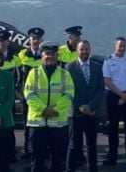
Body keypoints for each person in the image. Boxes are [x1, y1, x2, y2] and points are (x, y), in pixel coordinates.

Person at [24, 41, 75, 172]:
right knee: (37, 161)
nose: (50, 57)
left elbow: (69, 95)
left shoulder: (65, 74)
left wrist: (55, 110)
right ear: (42, 56)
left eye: (53, 54)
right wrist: (43, 110)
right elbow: (29, 95)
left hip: (58, 126)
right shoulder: (33, 73)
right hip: (37, 125)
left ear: (57, 56)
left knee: (58, 161)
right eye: (47, 54)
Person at [65, 39, 104, 172]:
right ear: (77, 50)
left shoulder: (97, 67)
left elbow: (100, 89)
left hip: (92, 113)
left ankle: (93, 169)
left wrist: (91, 106)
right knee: (73, 145)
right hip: (75, 113)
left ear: (90, 50)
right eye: (82, 49)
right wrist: (82, 106)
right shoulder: (69, 67)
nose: (84, 52)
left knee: (92, 144)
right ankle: (70, 169)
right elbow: (69, 90)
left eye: (86, 49)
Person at [101, 36, 126, 166]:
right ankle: (112, 158)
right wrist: (121, 95)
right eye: (119, 45)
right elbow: (107, 81)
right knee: (113, 129)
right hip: (113, 97)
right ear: (115, 46)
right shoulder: (108, 61)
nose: (122, 48)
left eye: (123, 46)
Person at [18, 27, 46, 159]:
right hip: (27, 95)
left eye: (38, 39)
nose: (35, 41)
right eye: (33, 38)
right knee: (27, 123)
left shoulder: (45, 54)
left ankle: (43, 149)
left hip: (43, 96)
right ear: (29, 39)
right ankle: (27, 149)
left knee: (43, 124)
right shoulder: (22, 54)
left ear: (41, 40)